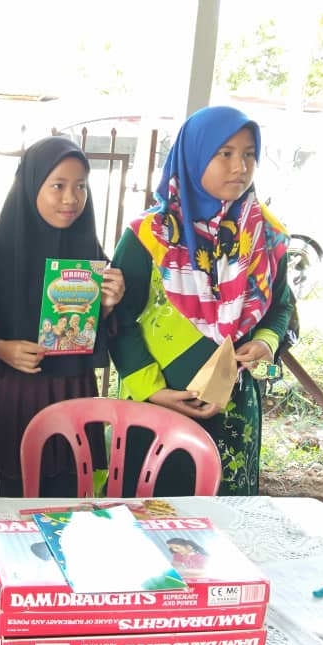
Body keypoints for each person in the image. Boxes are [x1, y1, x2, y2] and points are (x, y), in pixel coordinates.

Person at [110, 106, 295, 496]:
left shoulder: (266, 236)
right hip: (156, 407)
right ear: (193, 156)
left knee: (226, 519)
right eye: (224, 153)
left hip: (233, 409)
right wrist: (151, 389)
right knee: (152, 516)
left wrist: (266, 341)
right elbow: (118, 319)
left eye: (249, 154)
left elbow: (281, 306)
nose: (240, 167)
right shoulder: (150, 235)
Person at [0, 136, 124, 497]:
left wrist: (107, 304)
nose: (71, 198)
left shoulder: (90, 252)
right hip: (20, 397)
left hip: (75, 393)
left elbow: (97, 332)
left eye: (80, 186)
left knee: (69, 507)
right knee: (12, 507)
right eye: (58, 186)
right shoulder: (0, 256)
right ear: (32, 186)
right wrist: (0, 349)